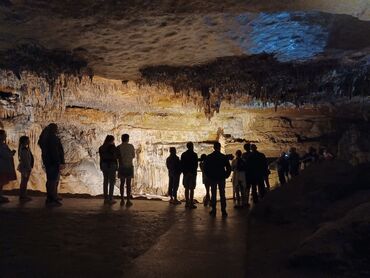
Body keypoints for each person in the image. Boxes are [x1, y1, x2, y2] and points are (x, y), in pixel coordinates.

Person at [38, 123, 65, 206]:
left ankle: (51, 197)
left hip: (48, 161)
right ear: (53, 129)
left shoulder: (45, 138)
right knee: (53, 181)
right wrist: (59, 162)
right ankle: (51, 199)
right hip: (53, 162)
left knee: (51, 180)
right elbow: (55, 152)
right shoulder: (52, 138)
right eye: (56, 128)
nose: (57, 130)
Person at [204, 142, 231, 217]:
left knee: (213, 194)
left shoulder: (210, 157)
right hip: (221, 177)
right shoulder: (223, 157)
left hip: (213, 178)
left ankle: (214, 210)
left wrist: (209, 176)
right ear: (219, 147)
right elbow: (228, 167)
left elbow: (206, 168)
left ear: (214, 147)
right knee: (222, 194)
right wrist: (226, 175)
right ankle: (223, 210)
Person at [117, 134, 135, 207]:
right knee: (128, 184)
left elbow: (117, 157)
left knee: (122, 183)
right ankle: (128, 200)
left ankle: (122, 200)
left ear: (121, 139)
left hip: (121, 166)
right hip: (129, 167)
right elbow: (133, 156)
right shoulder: (131, 146)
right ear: (128, 139)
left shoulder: (118, 147)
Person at [99, 135, 118, 205]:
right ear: (112, 140)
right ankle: (110, 198)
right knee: (112, 182)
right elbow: (115, 157)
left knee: (105, 181)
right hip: (111, 165)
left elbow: (101, 158)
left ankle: (105, 198)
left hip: (104, 165)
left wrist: (100, 165)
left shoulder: (101, 147)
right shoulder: (113, 147)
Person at [0, 130, 16, 203]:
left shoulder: (3, 145)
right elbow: (5, 155)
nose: (5, 136)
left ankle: (0, 195)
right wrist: (11, 153)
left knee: (1, 183)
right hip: (2, 167)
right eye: (4, 135)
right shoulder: (1, 146)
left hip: (3, 167)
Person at [181, 142, 198, 209]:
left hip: (186, 173)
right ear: (192, 146)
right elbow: (195, 165)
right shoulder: (194, 154)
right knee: (192, 189)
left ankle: (187, 203)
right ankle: (191, 203)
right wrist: (192, 172)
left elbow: (182, 164)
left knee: (186, 188)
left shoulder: (184, 154)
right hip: (192, 173)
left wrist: (185, 172)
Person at [18, 136, 34, 202]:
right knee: (24, 182)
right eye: (28, 140)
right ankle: (23, 196)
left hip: (25, 168)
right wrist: (29, 168)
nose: (29, 141)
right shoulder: (24, 149)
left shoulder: (24, 148)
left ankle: (23, 195)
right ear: (25, 141)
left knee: (24, 182)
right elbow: (26, 160)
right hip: (25, 168)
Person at [242, 143, 252, 207]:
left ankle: (245, 201)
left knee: (246, 187)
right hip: (252, 172)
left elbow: (243, 163)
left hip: (246, 173)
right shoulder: (252, 154)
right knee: (251, 187)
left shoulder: (244, 155)